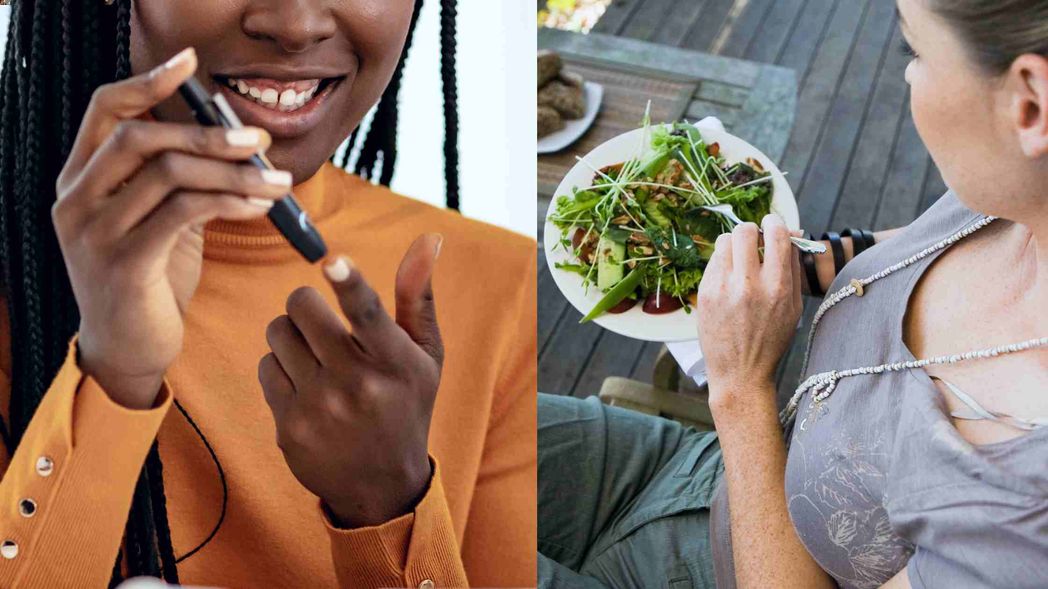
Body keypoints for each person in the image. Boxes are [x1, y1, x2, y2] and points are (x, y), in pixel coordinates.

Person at [0, 0, 536, 587]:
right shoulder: (20, 288)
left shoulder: (501, 282)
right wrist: (112, 377)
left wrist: (388, 506)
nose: (297, 25)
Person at [537, 0, 1047, 587]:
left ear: (1030, 103)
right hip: (713, 472)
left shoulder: (1026, 527)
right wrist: (800, 262)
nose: (909, 72)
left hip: (749, 532)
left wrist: (740, 386)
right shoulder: (1017, 191)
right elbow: (927, 242)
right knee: (447, 433)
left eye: (917, 51)